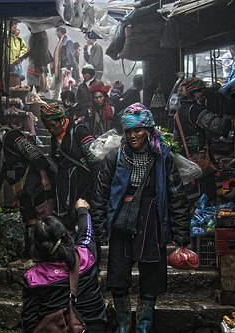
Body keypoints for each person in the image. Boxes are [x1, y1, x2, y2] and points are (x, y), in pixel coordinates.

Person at [91, 103, 191, 333]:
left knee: (152, 275)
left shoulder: (162, 157)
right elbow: (100, 194)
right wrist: (99, 227)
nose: (133, 136)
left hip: (151, 220)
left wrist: (180, 231)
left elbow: (176, 195)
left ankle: (144, 325)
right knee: (117, 274)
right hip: (121, 221)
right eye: (128, 131)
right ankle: (124, 324)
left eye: (138, 130)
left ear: (148, 131)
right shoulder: (115, 156)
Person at [0, 120, 55, 269]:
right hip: (24, 184)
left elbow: (33, 153)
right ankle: (26, 257)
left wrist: (43, 176)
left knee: (38, 218)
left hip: (36, 179)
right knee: (28, 217)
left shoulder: (12, 137)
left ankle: (36, 258)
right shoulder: (0, 149)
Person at [22, 199, 108, 333]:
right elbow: (86, 232)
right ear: (66, 237)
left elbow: (30, 321)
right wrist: (82, 210)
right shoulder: (86, 257)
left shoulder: (34, 278)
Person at [173, 77, 235, 201]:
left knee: (193, 197)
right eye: (200, 91)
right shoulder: (195, 109)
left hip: (186, 161)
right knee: (206, 195)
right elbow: (216, 125)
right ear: (193, 93)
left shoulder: (178, 113)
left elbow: (176, 137)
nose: (202, 95)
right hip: (201, 162)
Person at [40, 102, 100, 232]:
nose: (50, 129)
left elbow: (93, 157)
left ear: (62, 119)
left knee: (82, 212)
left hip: (83, 183)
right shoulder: (54, 138)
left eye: (52, 125)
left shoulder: (79, 130)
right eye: (47, 127)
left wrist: (98, 181)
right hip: (65, 185)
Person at [50, 26, 76, 100]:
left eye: (56, 33)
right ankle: (53, 102)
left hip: (65, 68)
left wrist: (68, 67)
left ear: (59, 32)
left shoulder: (68, 41)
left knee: (65, 88)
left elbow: (69, 54)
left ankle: (66, 104)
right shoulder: (60, 41)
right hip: (58, 69)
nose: (56, 35)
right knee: (54, 86)